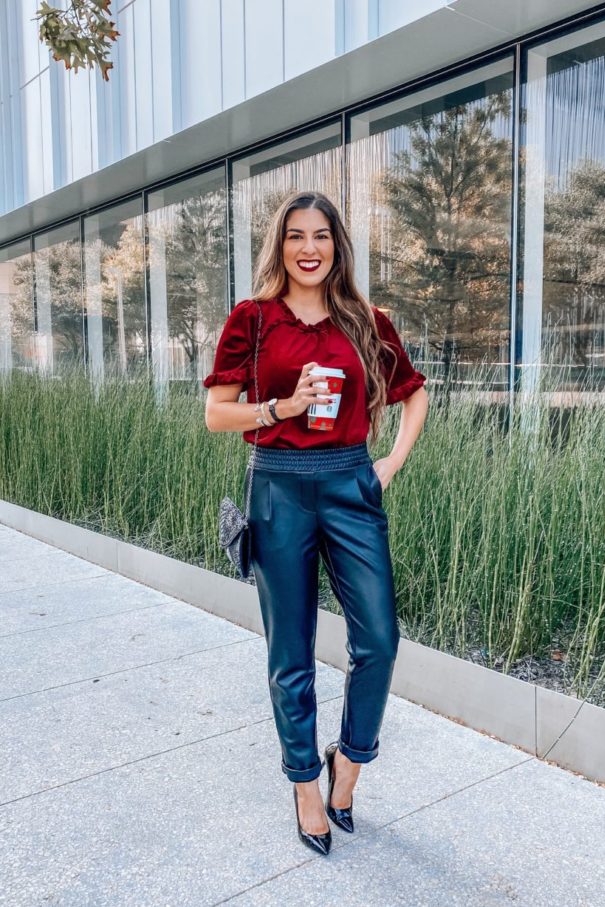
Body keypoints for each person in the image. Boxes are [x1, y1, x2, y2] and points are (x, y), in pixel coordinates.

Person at [204, 190, 429, 856]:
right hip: (278, 485)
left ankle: (348, 763)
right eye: (296, 235)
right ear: (280, 245)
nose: (308, 248)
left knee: (379, 640)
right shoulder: (253, 318)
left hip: (351, 481)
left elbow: (413, 394)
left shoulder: (365, 319)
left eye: (321, 235)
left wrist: (386, 464)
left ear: (337, 245)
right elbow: (218, 412)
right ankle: (305, 782)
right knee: (290, 653)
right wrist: (280, 405)